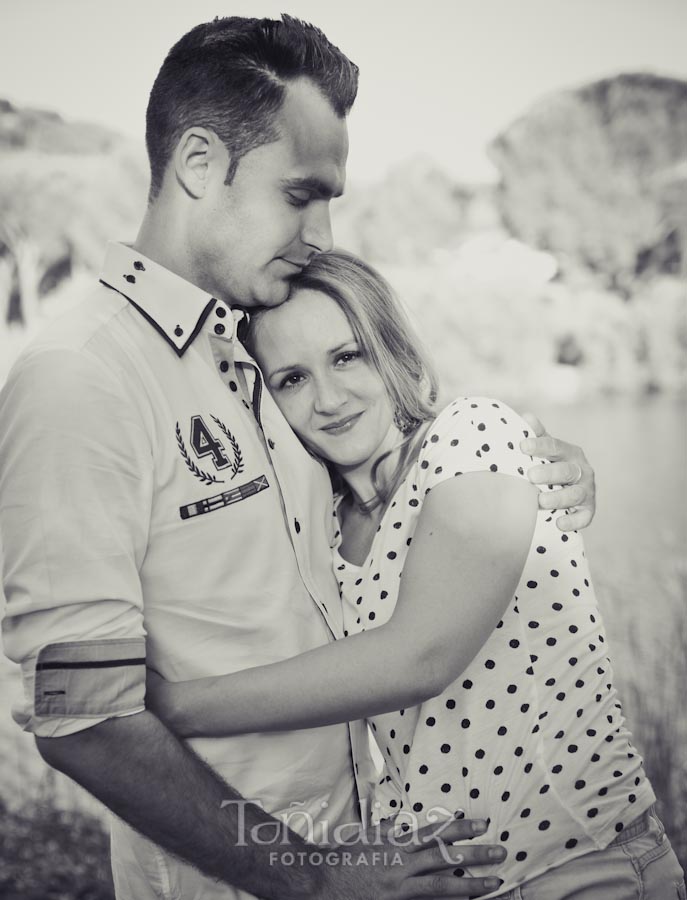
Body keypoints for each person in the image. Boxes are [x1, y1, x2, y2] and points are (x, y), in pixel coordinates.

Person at [0, 16, 595, 900]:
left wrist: (540, 472)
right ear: (200, 165)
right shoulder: (80, 379)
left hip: (378, 855)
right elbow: (82, 722)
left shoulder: (252, 351)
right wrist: (312, 874)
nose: (321, 230)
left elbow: (399, 501)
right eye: (299, 194)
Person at [147, 250, 686, 900]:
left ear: (393, 351)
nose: (328, 398)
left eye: (348, 357)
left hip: (578, 870)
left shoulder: (472, 434)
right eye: (291, 378)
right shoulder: (318, 524)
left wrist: (174, 706)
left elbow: (419, 656)